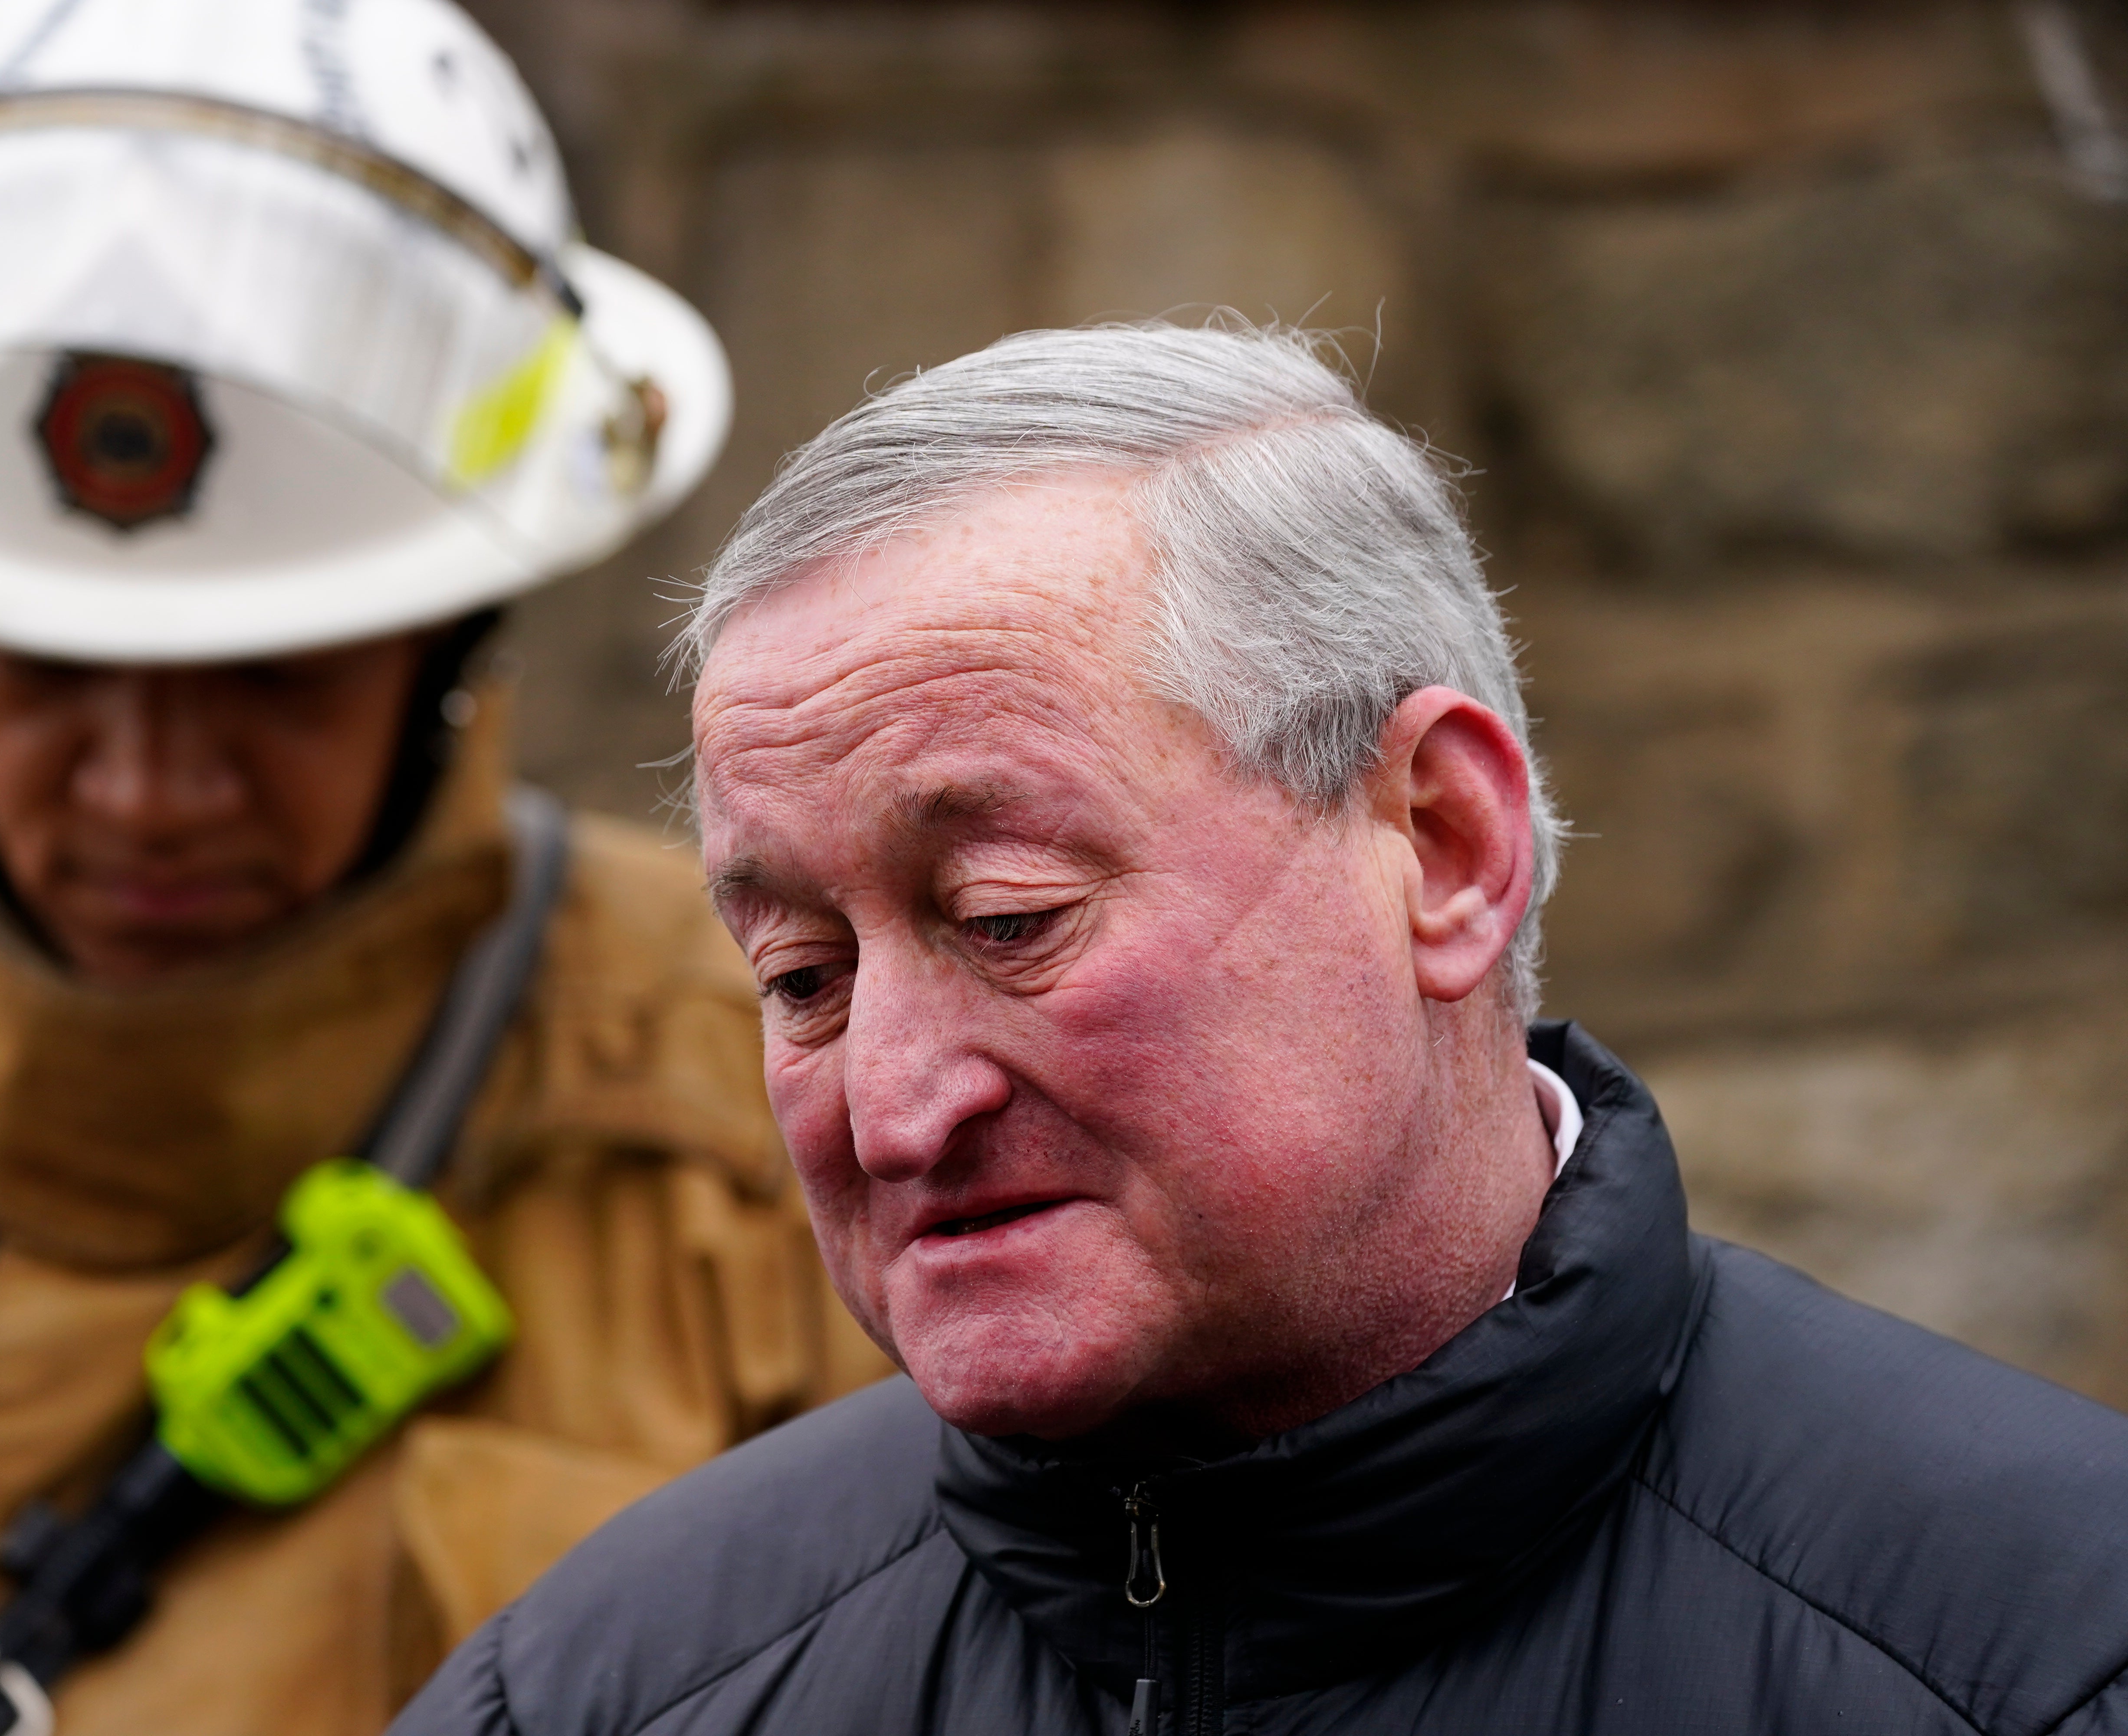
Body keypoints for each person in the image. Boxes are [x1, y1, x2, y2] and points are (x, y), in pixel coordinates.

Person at [392, 320, 2128, 1736]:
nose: (895, 1107)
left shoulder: (2038, 1651)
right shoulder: (593, 1694)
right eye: (803, 978)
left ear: (1442, 844)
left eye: (1011, 920)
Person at [0, 3, 882, 1733]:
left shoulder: (783, 1123)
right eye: (41, 666)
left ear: (446, 644)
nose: (147, 788)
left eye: (274, 677)